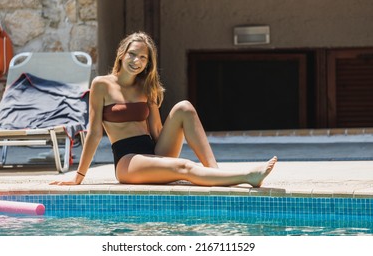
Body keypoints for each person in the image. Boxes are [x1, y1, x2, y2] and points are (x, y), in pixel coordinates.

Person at [50, 32, 277, 187]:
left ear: (148, 63)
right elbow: (94, 133)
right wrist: (79, 176)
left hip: (152, 151)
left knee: (184, 107)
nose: (136, 61)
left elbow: (156, 130)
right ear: (122, 53)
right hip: (128, 160)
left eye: (142, 57)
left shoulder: (145, 87)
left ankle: (215, 172)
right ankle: (248, 176)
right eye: (132, 54)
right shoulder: (101, 84)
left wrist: (163, 157)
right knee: (184, 166)